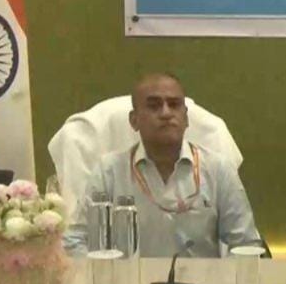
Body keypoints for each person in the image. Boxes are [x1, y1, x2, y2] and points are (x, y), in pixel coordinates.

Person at [64, 73, 262, 257]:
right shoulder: (109, 171)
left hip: (201, 283)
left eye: (174, 105)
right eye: (154, 106)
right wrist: (106, 274)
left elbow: (246, 244)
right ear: (134, 120)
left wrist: (222, 280)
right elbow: (74, 241)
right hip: (128, 282)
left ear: (186, 118)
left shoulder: (218, 169)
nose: (166, 113)